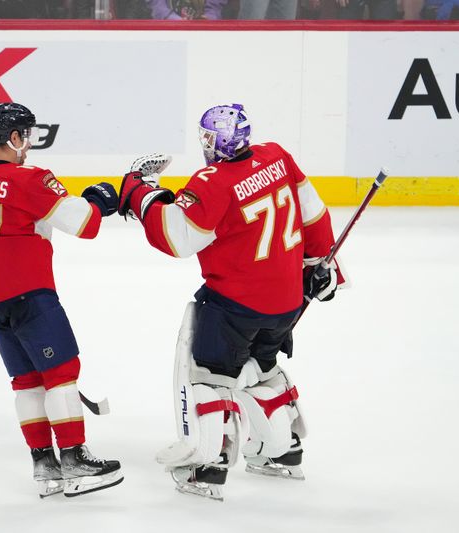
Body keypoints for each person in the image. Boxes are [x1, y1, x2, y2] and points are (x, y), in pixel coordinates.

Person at [118, 103, 344, 500]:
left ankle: (209, 464)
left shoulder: (212, 182)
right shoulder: (277, 156)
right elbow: (313, 213)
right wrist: (322, 264)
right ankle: (281, 452)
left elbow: (177, 237)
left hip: (235, 304)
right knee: (263, 367)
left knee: (211, 374)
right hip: (287, 299)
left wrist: (138, 191)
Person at [0, 102, 123, 498]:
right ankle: (76, 460)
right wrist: (97, 200)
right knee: (61, 371)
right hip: (28, 290)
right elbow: (85, 224)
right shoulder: (31, 177)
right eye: (26, 134)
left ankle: (45, 466)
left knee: (27, 381)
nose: (29, 143)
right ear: (14, 138)